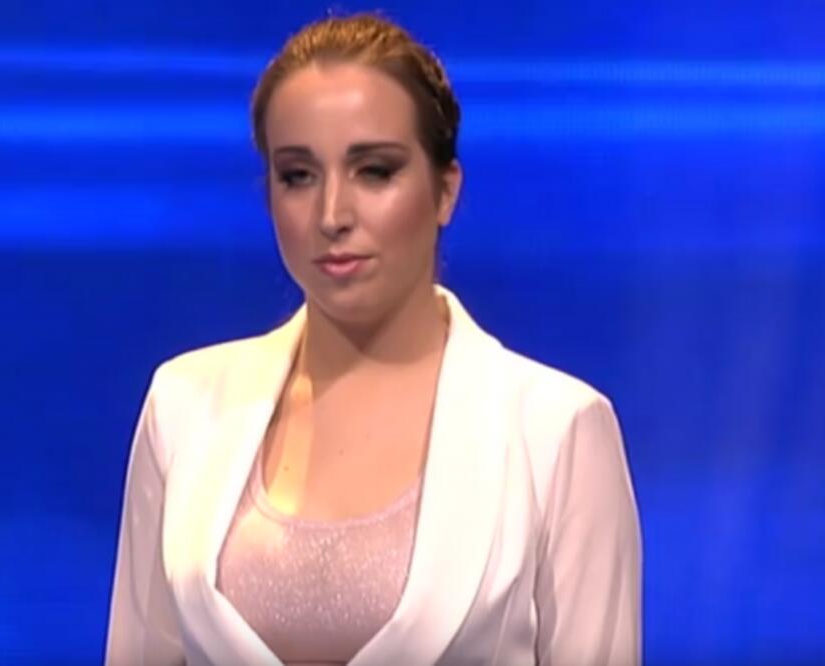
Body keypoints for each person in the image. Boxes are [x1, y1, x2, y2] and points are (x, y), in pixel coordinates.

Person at [105, 12, 641, 666]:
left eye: (375, 171)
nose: (332, 215)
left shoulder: (555, 429)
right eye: (298, 176)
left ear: (445, 191)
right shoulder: (185, 405)